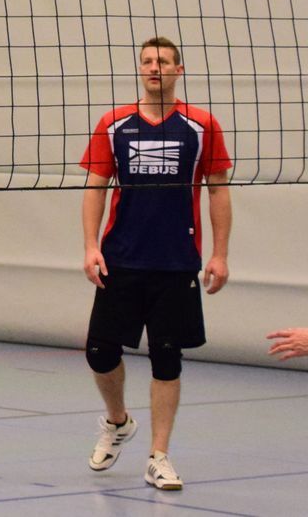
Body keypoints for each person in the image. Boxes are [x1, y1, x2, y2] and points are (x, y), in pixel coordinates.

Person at [80, 37, 232, 491]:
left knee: (167, 358)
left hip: (176, 261)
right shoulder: (113, 123)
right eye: (146, 61)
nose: (153, 68)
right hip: (122, 257)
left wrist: (220, 254)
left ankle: (159, 456)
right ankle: (117, 421)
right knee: (99, 352)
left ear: (178, 70)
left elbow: (219, 190)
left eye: (163, 61)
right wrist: (90, 245)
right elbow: (95, 187)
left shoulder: (201, 125)